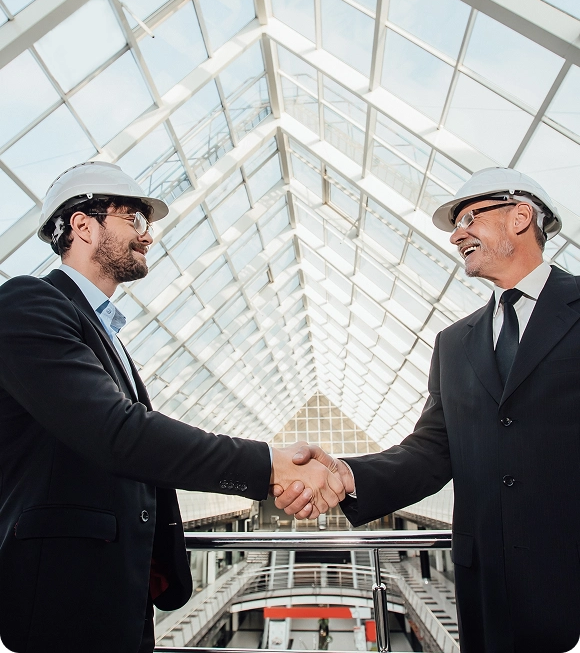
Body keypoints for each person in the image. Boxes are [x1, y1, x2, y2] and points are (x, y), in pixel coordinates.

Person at [0, 161, 344, 653]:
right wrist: (266, 465)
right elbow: (118, 434)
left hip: (112, 597)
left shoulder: (102, 332)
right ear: (82, 226)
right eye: (135, 220)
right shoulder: (27, 304)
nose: (149, 237)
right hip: (54, 601)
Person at [275, 167, 580, 653]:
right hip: (490, 595)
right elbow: (432, 451)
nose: (457, 234)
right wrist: (346, 474)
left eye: (469, 218)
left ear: (521, 216)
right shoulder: (455, 342)